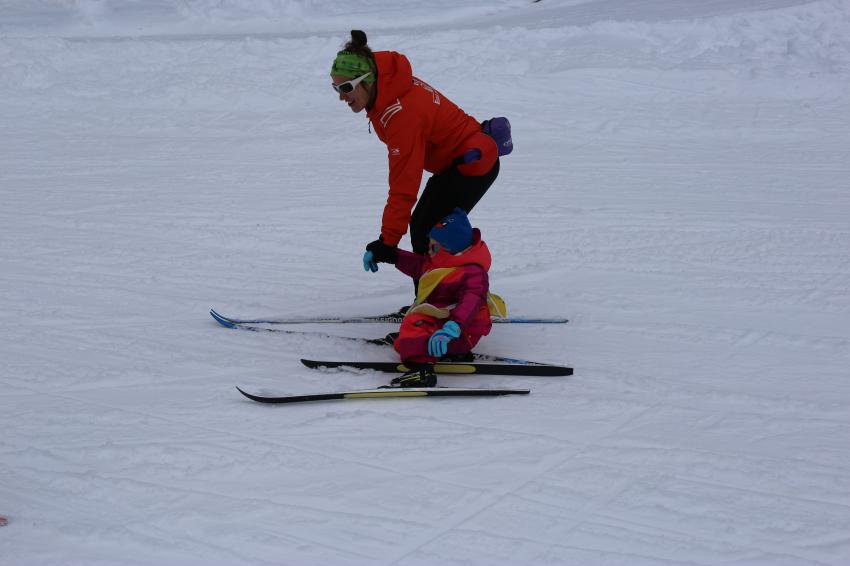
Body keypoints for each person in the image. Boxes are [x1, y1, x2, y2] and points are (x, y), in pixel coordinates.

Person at [329, 30, 502, 299]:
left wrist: (387, 241)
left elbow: (403, 185)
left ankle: (442, 302)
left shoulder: (399, 114)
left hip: (472, 165)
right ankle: (443, 297)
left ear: (368, 80)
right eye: (336, 88)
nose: (342, 96)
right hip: (458, 161)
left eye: (347, 88)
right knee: (426, 226)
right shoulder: (387, 89)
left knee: (428, 230)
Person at [367, 208, 493, 387]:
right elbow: (417, 265)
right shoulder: (440, 264)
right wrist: (388, 254)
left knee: (416, 322)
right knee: (411, 331)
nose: (429, 251)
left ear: (451, 249)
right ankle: (425, 343)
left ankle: (421, 370)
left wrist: (453, 328)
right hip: (449, 331)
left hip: (461, 332)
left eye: (434, 247)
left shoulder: (472, 274)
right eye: (429, 245)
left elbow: (471, 302)